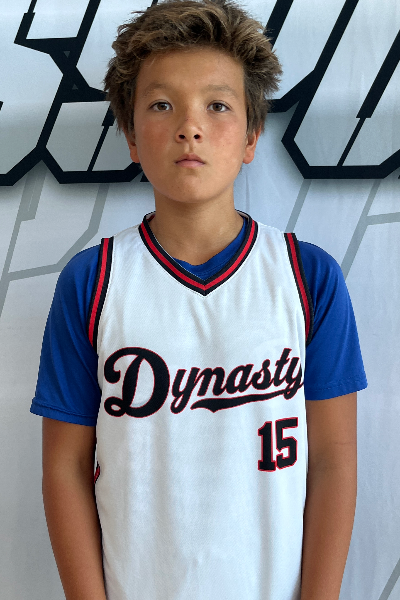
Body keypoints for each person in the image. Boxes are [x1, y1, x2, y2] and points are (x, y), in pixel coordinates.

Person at [30, 0, 368, 598]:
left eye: (217, 105)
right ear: (131, 137)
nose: (190, 126)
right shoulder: (93, 280)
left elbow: (334, 461)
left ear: (251, 136)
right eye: (162, 105)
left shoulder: (308, 276)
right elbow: (65, 467)